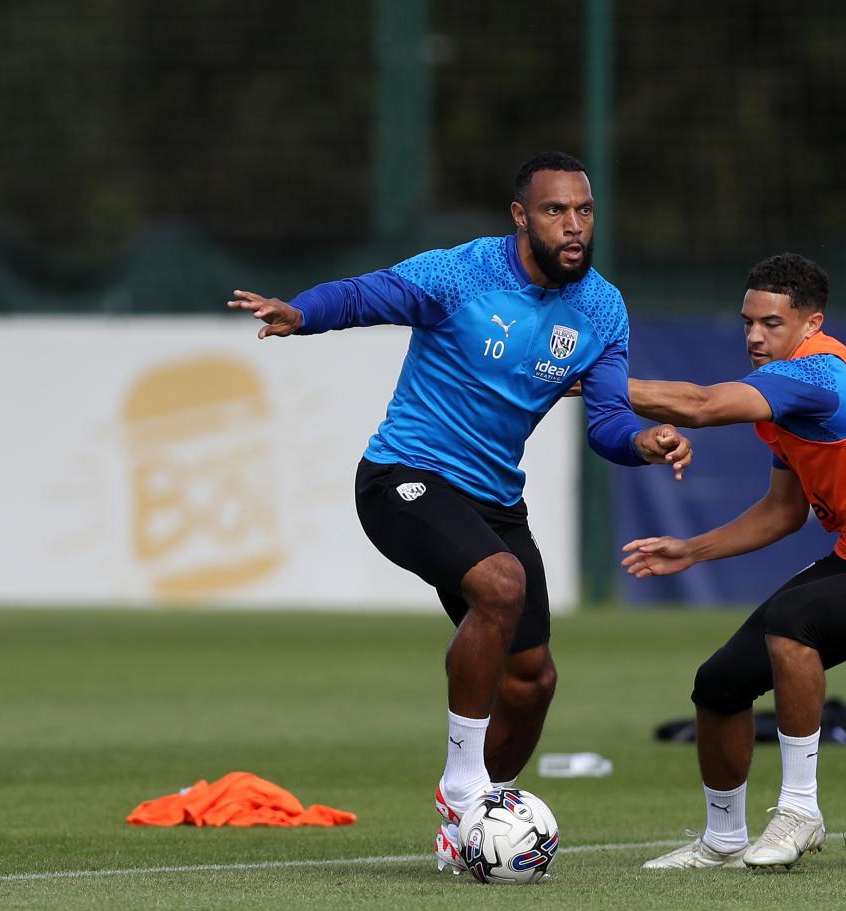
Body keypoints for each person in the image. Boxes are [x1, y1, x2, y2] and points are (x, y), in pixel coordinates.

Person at [225, 151, 692, 872]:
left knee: (533, 681)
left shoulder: (602, 308)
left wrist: (643, 441)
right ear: (520, 217)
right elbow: (367, 295)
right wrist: (302, 313)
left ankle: (470, 829)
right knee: (501, 584)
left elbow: (606, 422)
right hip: (402, 479)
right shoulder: (463, 273)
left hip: (494, 500)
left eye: (584, 210)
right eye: (555, 211)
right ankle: (462, 787)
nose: (573, 226)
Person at [621, 253, 846, 870]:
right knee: (719, 684)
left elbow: (700, 404)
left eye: (772, 323)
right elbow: (784, 511)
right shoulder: (788, 399)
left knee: (793, 622)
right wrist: (692, 549)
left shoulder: (819, 377)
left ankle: (799, 811)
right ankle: (723, 840)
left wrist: (577, 379)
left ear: (812, 325)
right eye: (748, 322)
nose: (755, 337)